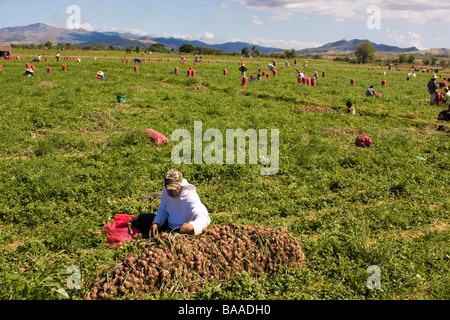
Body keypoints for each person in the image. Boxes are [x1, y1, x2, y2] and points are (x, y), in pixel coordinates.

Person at [136, 169, 211, 238]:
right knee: (142, 218)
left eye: (175, 189)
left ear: (180, 185)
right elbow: (163, 210)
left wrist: (193, 226)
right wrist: (157, 223)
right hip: (170, 226)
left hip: (184, 231)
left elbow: (203, 216)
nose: (172, 192)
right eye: (170, 190)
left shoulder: (189, 196)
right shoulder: (165, 191)